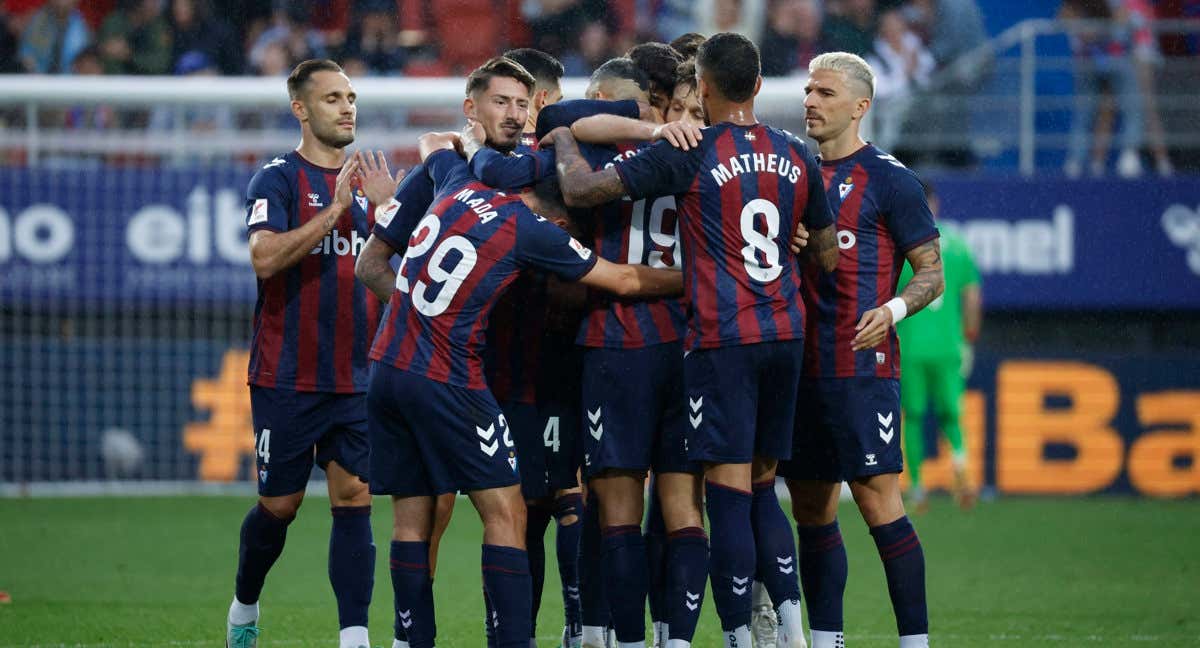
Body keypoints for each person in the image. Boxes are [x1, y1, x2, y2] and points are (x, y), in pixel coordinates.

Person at [365, 93, 686, 648]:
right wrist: (698, 275)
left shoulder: (457, 184)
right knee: (508, 513)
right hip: (448, 375)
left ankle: (407, 641)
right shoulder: (530, 230)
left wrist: (467, 143)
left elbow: (431, 144)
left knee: (411, 523)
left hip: (386, 365)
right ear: (552, 211)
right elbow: (627, 281)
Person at [550, 33, 838, 648]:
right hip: (781, 335)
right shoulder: (795, 151)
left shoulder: (687, 151)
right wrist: (790, 252)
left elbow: (578, 189)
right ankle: (788, 629)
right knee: (753, 491)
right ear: (760, 86)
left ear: (701, 90)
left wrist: (568, 143)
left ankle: (706, 634)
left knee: (705, 500)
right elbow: (828, 252)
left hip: (702, 340)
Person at [775, 52, 944, 648]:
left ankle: (913, 642)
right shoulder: (793, 171)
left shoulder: (891, 179)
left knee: (879, 507)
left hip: (861, 368)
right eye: (809, 91)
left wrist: (893, 309)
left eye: (824, 92)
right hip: (799, 366)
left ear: (860, 106)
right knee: (812, 513)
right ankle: (827, 641)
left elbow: (931, 272)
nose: (811, 102)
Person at [229, 58, 397, 648]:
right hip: (287, 375)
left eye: (351, 96)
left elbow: (401, 268)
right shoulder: (276, 179)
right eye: (332, 99)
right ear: (301, 108)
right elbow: (265, 259)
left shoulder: (378, 180)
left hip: (358, 376)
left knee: (355, 497)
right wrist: (336, 210)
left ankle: (354, 636)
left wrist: (389, 208)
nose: (348, 107)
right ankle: (244, 607)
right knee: (280, 505)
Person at [897, 182, 981, 513]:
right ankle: (962, 472)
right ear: (936, 204)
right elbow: (972, 296)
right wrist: (969, 338)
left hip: (912, 346)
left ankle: (918, 489)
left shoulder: (902, 245)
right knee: (952, 415)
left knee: (914, 417)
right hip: (949, 346)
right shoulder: (958, 244)